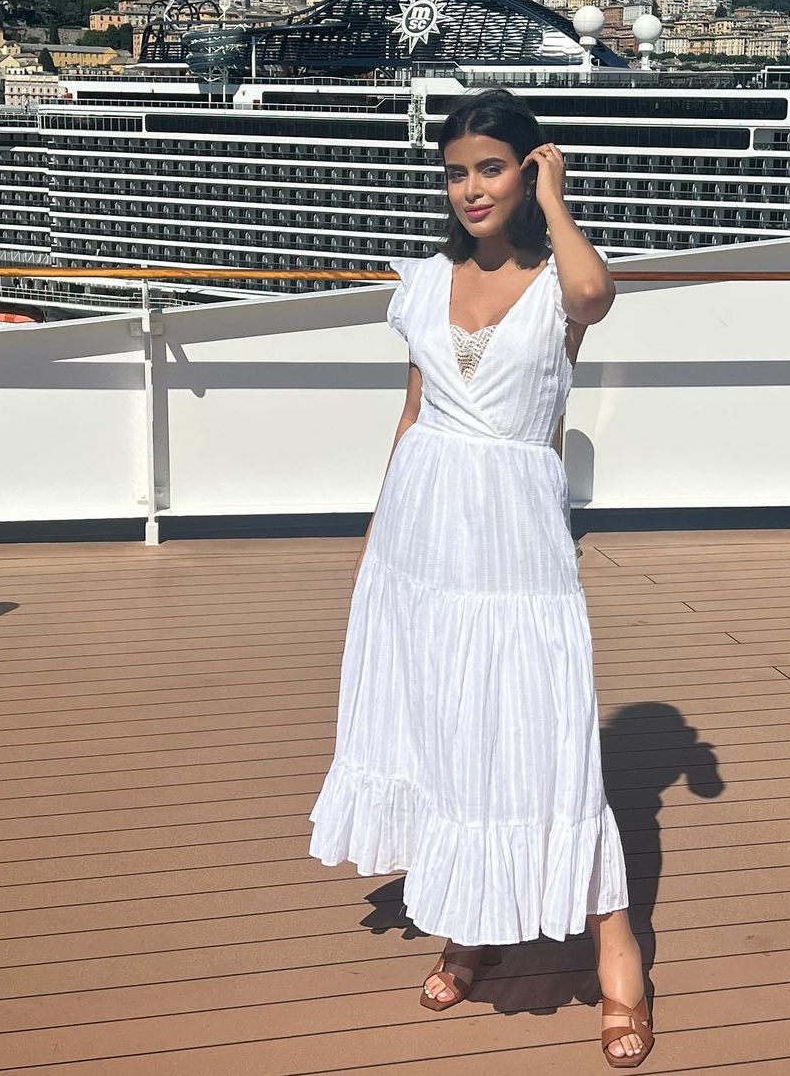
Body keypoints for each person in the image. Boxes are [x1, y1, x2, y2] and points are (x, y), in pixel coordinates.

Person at [307, 87, 653, 1067]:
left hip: (514, 535)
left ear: (528, 169)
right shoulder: (422, 283)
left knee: (545, 732)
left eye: (491, 168)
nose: (470, 188)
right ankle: (470, 921)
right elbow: (414, 414)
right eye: (456, 172)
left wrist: (556, 200)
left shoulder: (558, 286)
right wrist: (377, 541)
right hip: (421, 538)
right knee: (447, 726)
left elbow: (596, 294)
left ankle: (616, 947)